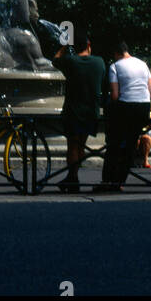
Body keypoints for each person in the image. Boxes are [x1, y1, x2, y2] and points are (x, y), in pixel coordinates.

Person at [52, 34, 106, 192]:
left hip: (73, 110)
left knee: (72, 146)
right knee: (81, 145)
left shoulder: (70, 61)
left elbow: (55, 60)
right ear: (89, 45)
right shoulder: (99, 62)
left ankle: (73, 178)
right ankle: (72, 177)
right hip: (92, 111)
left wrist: (64, 46)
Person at [102, 42, 151, 189]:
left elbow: (114, 95)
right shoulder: (143, 64)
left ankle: (107, 181)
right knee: (131, 144)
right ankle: (120, 181)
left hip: (125, 106)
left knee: (114, 144)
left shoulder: (115, 66)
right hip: (143, 107)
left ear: (116, 53)